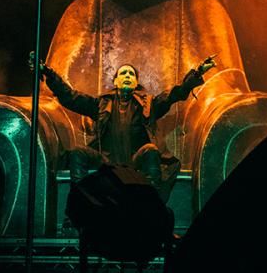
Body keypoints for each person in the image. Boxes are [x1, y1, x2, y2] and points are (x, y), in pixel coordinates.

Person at [30, 53, 217, 200]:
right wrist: (49, 74)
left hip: (136, 160)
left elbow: (175, 93)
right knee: (78, 152)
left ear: (135, 83)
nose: (127, 76)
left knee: (151, 150)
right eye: (123, 73)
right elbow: (70, 97)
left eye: (131, 74)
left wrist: (197, 73)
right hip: (106, 161)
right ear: (116, 82)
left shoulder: (148, 104)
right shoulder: (101, 104)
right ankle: (78, 211)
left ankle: (152, 209)